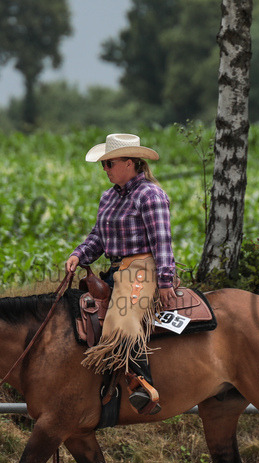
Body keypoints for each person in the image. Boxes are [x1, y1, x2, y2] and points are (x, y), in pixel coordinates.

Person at [65, 133, 177, 415]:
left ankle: (143, 386)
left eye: (109, 163)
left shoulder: (150, 195)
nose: (105, 170)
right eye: (103, 165)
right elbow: (98, 238)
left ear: (130, 163)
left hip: (142, 268)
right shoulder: (108, 197)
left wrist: (165, 282)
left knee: (122, 318)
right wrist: (79, 254)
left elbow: (161, 241)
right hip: (116, 270)